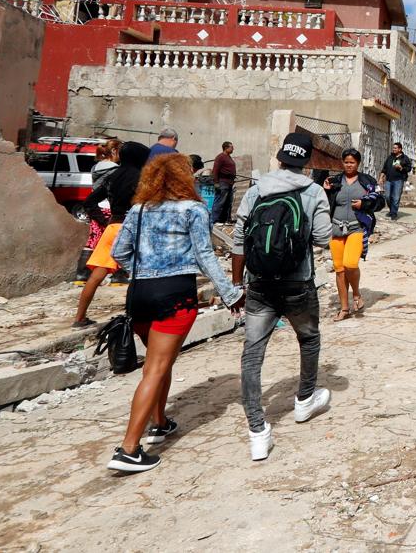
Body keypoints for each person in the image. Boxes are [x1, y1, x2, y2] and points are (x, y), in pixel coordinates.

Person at [106, 154, 243, 473]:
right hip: (175, 294)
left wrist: (144, 271)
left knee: (158, 362)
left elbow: (118, 253)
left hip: (139, 294)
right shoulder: (193, 210)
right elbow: (205, 256)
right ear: (185, 177)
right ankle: (129, 449)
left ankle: (159, 420)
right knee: (155, 367)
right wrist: (230, 293)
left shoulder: (138, 210)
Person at [231, 132, 334, 461]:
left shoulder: (257, 188)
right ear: (305, 162)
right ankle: (304, 400)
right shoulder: (313, 191)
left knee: (252, 355)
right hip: (297, 283)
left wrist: (238, 284)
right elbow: (321, 239)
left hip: (259, 284)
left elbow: (239, 238)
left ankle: (258, 431)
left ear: (279, 158)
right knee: (309, 339)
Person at [73, 141, 150, 328]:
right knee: (141, 275)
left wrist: (103, 220)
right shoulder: (143, 178)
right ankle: (137, 316)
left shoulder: (112, 177)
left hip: (113, 228)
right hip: (134, 228)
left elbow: (90, 202)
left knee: (96, 277)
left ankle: (79, 318)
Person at [322, 149, 384, 321]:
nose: (349, 165)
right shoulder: (334, 181)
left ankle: (356, 294)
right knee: (339, 269)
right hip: (336, 229)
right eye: (346, 162)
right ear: (342, 163)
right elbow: (325, 203)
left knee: (350, 264)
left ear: (358, 163)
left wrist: (364, 203)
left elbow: (380, 202)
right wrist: (326, 190)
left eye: (352, 162)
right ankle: (344, 308)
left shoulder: (367, 181)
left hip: (356, 228)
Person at [377, 141, 414, 220]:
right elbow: (384, 169)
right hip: (389, 180)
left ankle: (394, 213)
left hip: (398, 180)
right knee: (387, 196)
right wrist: (381, 178)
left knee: (396, 197)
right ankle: (391, 210)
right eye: (393, 148)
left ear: (400, 149)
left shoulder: (405, 158)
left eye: (395, 148)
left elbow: (409, 168)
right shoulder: (390, 157)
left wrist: (401, 168)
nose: (393, 149)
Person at [211, 141, 236, 224]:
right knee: (220, 202)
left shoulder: (228, 157)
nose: (233, 149)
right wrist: (216, 183)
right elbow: (215, 170)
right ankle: (214, 220)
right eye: (231, 147)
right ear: (226, 148)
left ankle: (224, 220)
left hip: (229, 183)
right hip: (223, 183)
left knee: (228, 203)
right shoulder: (220, 157)